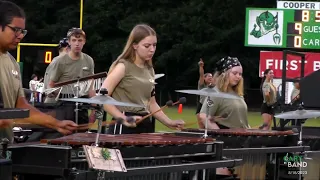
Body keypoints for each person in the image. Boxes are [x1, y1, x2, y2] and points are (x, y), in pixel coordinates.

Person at [0, 1, 77, 142]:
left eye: (22, 31)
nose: (20, 36)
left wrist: (56, 124)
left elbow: (21, 106)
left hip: (5, 148)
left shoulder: (12, 63)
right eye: (15, 30)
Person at [101, 24, 185, 134]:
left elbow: (151, 104)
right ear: (135, 45)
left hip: (145, 122)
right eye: (147, 46)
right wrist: (123, 118)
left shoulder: (149, 70)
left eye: (154, 45)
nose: (152, 50)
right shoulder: (122, 67)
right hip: (124, 125)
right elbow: (102, 97)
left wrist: (169, 122)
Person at [48, 28, 96, 124]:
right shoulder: (60, 61)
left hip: (82, 103)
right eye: (74, 40)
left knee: (81, 136)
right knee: (65, 136)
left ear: (84, 42)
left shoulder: (89, 60)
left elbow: (91, 86)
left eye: (80, 40)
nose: (77, 44)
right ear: (69, 42)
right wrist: (62, 99)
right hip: (64, 105)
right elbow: (51, 85)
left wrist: (94, 110)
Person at [199, 56, 250, 129]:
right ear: (224, 74)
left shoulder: (238, 94)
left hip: (242, 137)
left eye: (240, 74)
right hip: (229, 138)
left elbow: (242, 120)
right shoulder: (216, 93)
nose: (238, 77)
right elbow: (204, 116)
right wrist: (221, 135)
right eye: (235, 73)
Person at [43, 38, 69, 103]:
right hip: (56, 102)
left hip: (51, 100)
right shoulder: (62, 61)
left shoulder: (54, 61)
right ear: (67, 48)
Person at [196, 58, 213, 129]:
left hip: (210, 107)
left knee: (209, 126)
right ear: (204, 78)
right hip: (201, 105)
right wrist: (201, 67)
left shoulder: (213, 86)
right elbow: (201, 75)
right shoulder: (202, 85)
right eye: (209, 76)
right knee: (201, 126)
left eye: (211, 77)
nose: (210, 77)